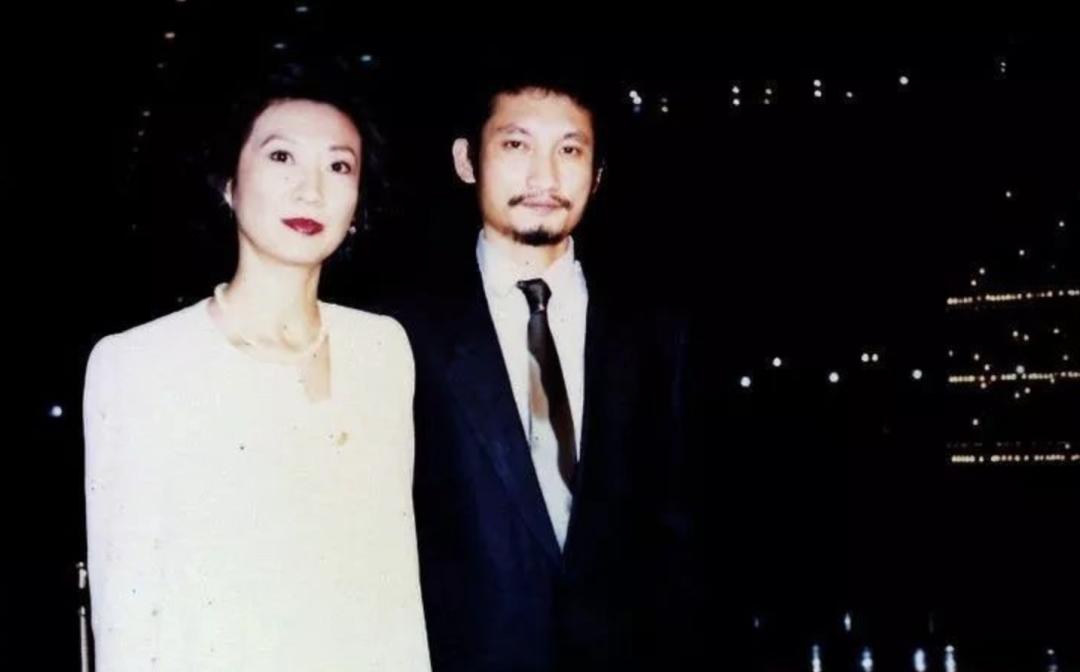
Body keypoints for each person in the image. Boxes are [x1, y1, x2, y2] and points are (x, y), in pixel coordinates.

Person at [83, 63, 430, 671]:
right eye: (281, 157)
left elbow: (396, 583)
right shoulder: (137, 364)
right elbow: (126, 614)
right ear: (229, 183)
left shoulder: (382, 349)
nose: (311, 190)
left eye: (339, 166)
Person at [391, 68, 697, 671]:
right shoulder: (400, 331)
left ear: (597, 173)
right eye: (516, 144)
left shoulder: (657, 332)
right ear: (466, 160)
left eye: (570, 150)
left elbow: (685, 535)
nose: (545, 177)